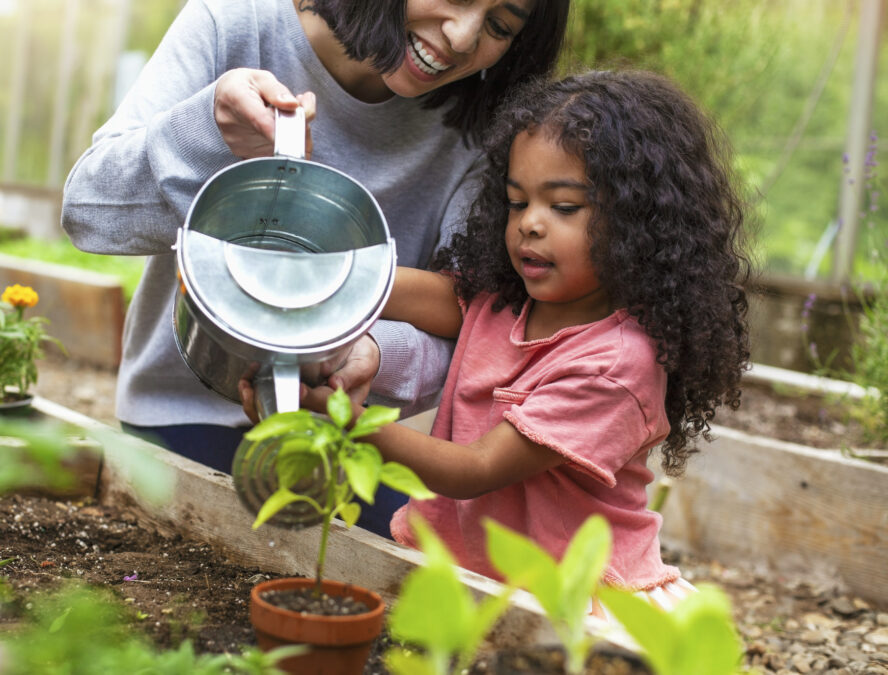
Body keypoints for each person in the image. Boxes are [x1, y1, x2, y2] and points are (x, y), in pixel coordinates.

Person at [244, 69, 753, 607]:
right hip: (470, 576)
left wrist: (337, 416)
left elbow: (476, 469)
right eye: (517, 202)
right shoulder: (511, 301)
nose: (529, 224)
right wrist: (334, 279)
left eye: (563, 207)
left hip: (572, 600)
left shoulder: (617, 363)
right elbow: (438, 298)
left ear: (638, 223)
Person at [61, 0, 570, 537]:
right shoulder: (235, 23)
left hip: (342, 437)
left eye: (500, 26)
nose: (463, 38)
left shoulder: (480, 128)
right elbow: (88, 212)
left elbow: (474, 325)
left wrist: (373, 352)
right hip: (183, 414)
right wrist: (209, 129)